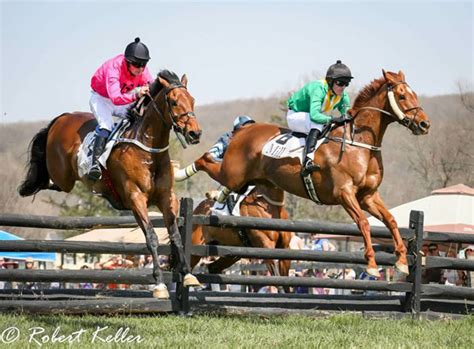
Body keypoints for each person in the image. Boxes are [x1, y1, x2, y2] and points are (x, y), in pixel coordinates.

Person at [88, 37, 154, 181]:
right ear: (128, 62)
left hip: (122, 96)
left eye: (144, 64)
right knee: (106, 126)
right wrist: (136, 94)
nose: (141, 68)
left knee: (138, 118)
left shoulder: (142, 70)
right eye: (137, 65)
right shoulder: (114, 68)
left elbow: (152, 87)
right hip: (102, 99)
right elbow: (115, 98)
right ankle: (94, 164)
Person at [286, 60, 353, 175]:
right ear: (331, 81)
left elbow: (348, 115)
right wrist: (334, 119)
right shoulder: (318, 89)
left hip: (309, 118)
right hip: (295, 116)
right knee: (317, 122)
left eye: (346, 84)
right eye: (340, 83)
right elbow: (315, 115)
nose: (343, 87)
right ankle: (308, 161)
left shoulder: (343, 96)